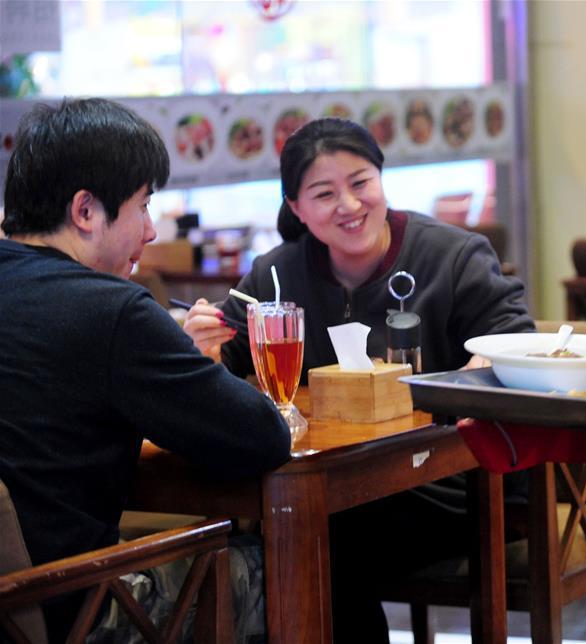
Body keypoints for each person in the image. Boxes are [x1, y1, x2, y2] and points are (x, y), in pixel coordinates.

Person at [182, 117, 534, 642]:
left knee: (318, 539)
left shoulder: (453, 256)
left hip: (456, 486)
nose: (348, 205)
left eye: (360, 182)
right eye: (324, 194)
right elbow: (219, 377)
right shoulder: (276, 277)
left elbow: (515, 342)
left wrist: (480, 366)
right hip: (336, 487)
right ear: (296, 207)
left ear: (381, 178)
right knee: (285, 534)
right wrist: (201, 350)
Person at [0, 98, 292, 642]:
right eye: (143, 205)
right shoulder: (110, 309)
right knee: (304, 561)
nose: (152, 230)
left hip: (15, 604)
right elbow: (263, 437)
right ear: (85, 210)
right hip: (74, 612)